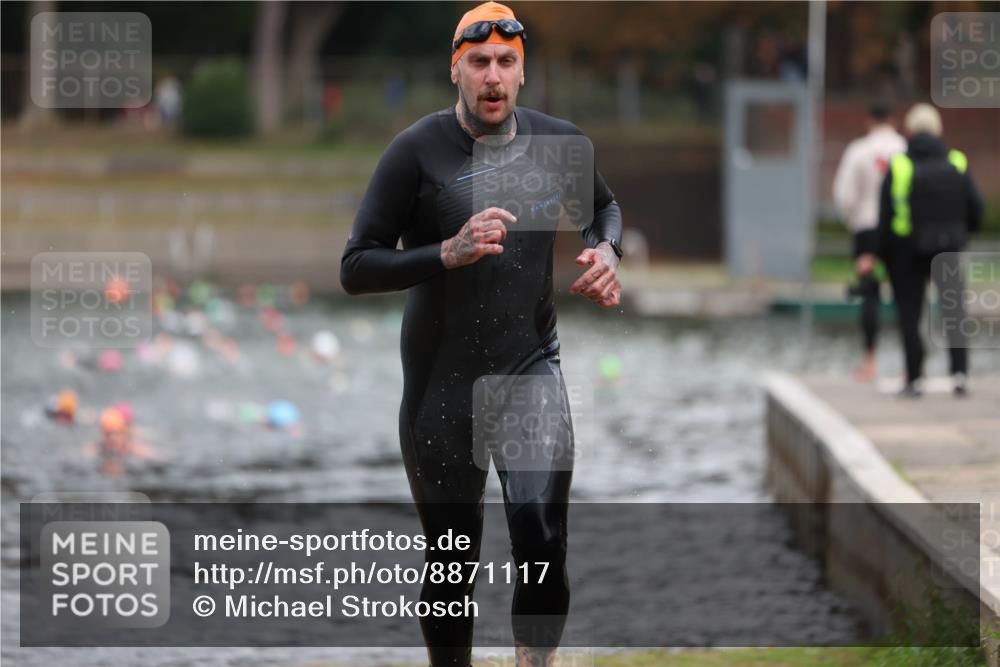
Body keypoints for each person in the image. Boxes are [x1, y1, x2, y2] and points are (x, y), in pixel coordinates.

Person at [340, 3, 623, 666]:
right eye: (479, 63)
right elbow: (355, 266)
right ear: (455, 71)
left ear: (523, 74)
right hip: (443, 386)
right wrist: (445, 251)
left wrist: (606, 250)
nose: (492, 76)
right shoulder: (416, 152)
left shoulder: (559, 147)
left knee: (542, 533)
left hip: (529, 368)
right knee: (450, 563)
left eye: (506, 63)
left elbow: (602, 208)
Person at [876, 103, 983, 398]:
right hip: (948, 246)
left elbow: (885, 215)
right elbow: (977, 206)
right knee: (954, 313)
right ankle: (960, 374)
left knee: (910, 315)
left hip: (906, 251)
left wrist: (881, 253)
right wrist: (962, 234)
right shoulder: (957, 162)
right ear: (939, 130)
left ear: (909, 130)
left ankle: (915, 378)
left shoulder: (899, 165)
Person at [832, 103, 906, 382]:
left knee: (869, 295)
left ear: (868, 122)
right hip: (899, 230)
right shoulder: (904, 149)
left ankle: (870, 361)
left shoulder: (858, 151)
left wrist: (854, 221)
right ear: (894, 121)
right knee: (905, 295)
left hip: (866, 231)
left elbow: (844, 195)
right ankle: (908, 362)